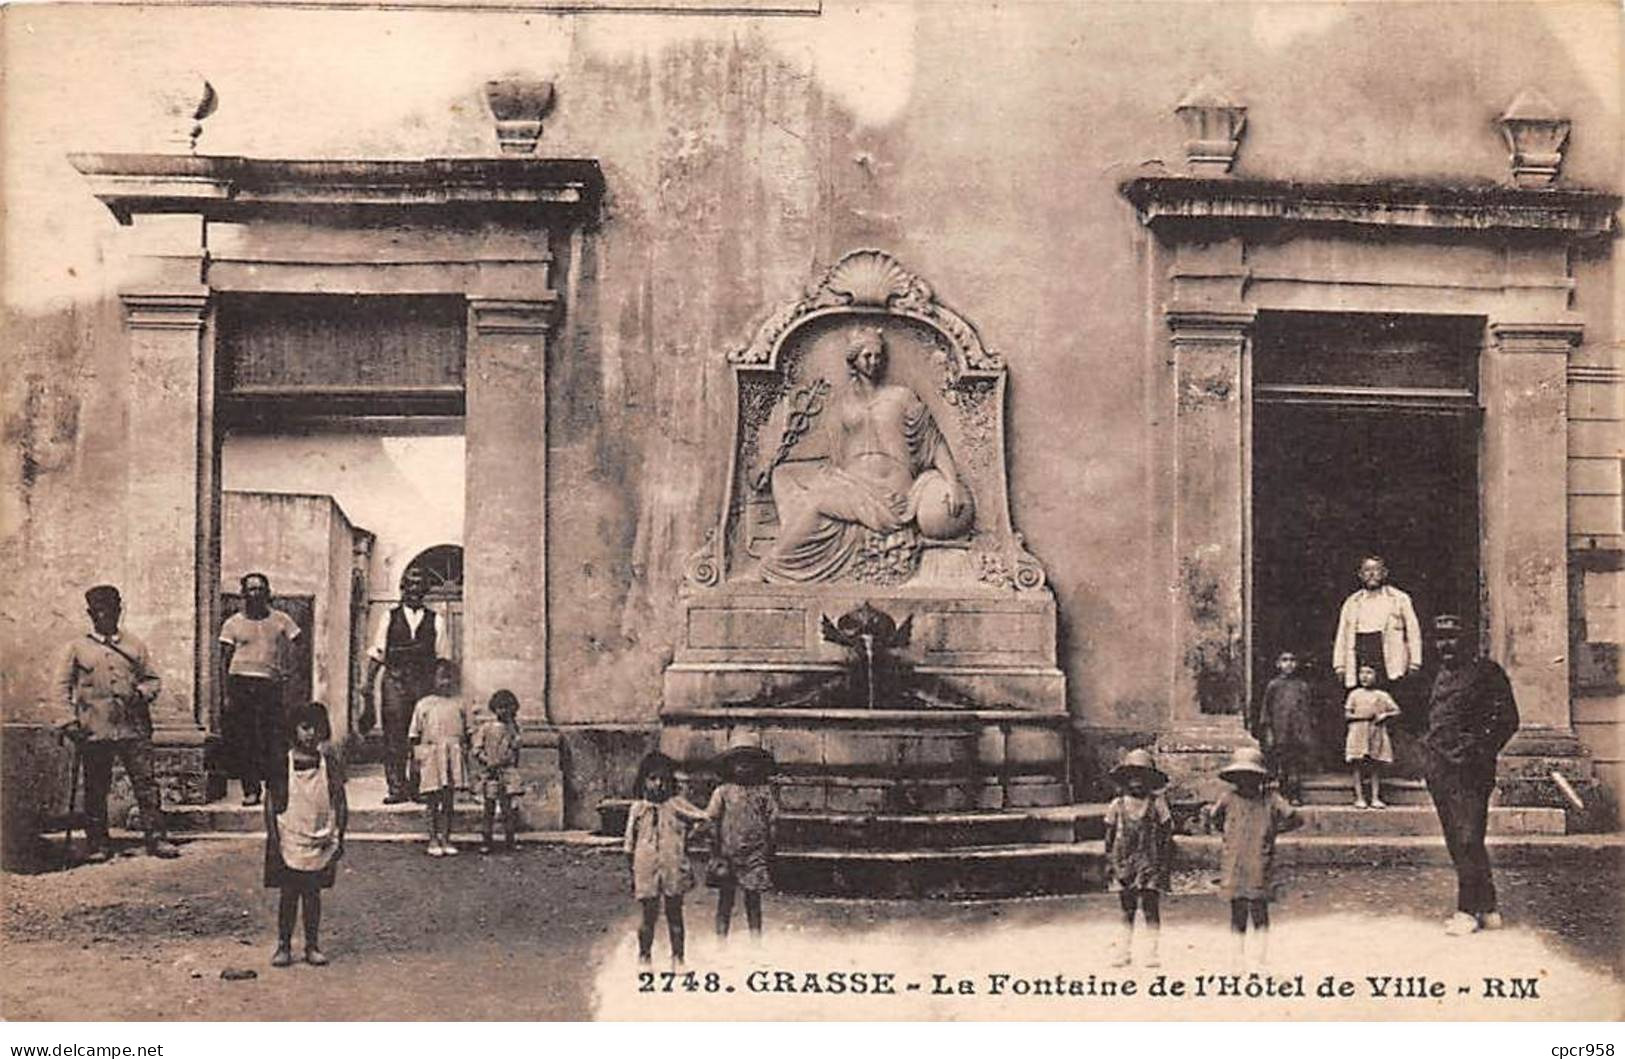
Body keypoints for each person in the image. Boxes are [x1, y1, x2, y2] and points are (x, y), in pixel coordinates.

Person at [756, 326, 971, 584]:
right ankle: (793, 532)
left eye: (878, 356)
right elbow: (826, 450)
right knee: (783, 475)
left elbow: (935, 443)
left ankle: (777, 564)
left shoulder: (902, 397)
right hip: (850, 480)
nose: (874, 362)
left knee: (815, 503)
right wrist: (771, 464)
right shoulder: (844, 404)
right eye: (867, 356)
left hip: (889, 488)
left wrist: (952, 483)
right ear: (854, 360)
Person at [56, 584, 179, 861]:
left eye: (111, 611)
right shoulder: (78, 647)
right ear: (90, 614)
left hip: (133, 727)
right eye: (99, 612)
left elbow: (152, 680)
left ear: (119, 611)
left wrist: (141, 693)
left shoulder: (134, 645)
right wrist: (68, 721)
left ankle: (157, 839)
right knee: (96, 787)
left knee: (146, 784)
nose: (105, 616)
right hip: (94, 729)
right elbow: (61, 687)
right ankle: (98, 844)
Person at [1424, 613, 1519, 936]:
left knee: (1468, 837)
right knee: (1457, 839)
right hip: (1440, 770)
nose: (1446, 644)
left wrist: (1475, 747)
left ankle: (1467, 910)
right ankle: (1488, 906)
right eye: (1440, 637)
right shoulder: (1433, 675)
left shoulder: (1487, 672)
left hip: (1471, 770)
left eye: (1452, 636)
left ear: (1468, 640)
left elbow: (1507, 720)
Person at [264, 702, 347, 968]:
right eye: (305, 727)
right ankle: (284, 945)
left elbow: (339, 799)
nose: (311, 734)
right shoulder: (282, 762)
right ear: (294, 729)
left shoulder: (329, 763)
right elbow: (270, 801)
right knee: (289, 894)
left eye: (317, 728)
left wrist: (340, 834)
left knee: (312, 894)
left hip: (318, 835)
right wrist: (274, 837)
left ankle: (312, 945)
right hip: (290, 834)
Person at [358, 568, 449, 804]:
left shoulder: (436, 619)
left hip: (423, 684)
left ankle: (418, 787)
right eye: (410, 584)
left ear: (426, 590)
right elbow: (378, 654)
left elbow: (442, 658)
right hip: (395, 683)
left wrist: (439, 690)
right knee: (394, 736)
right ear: (403, 587)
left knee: (420, 738)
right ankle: (396, 788)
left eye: (420, 585)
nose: (415, 590)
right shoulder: (389, 616)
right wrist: (367, 686)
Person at [1204, 746, 1300, 969]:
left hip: (1259, 860)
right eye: (1241, 777)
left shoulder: (1271, 799)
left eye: (1251, 776)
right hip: (1234, 862)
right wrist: (1229, 832)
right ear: (1235, 778)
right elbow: (1214, 818)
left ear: (1260, 777)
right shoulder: (1227, 798)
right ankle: (1236, 957)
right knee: (1237, 910)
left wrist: (1272, 831)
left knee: (1259, 909)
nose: (1246, 781)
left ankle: (1260, 957)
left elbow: (1294, 818)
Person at [218, 572, 301, 807]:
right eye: (251, 589)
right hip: (241, 684)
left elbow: (297, 645)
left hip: (270, 685)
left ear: (268, 592)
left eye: (260, 589)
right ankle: (251, 789)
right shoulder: (232, 623)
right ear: (243, 594)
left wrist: (288, 672)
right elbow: (224, 660)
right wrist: (225, 693)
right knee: (246, 739)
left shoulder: (281, 620)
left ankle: (274, 789)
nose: (256, 594)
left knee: (273, 738)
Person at [624, 752, 708, 965]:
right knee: (648, 916)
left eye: (663, 779)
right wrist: (632, 873)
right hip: (646, 867)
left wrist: (687, 838)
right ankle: (644, 957)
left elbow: (705, 819)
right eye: (653, 778)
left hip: (672, 865)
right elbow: (629, 845)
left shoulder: (677, 805)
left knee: (675, 914)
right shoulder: (638, 809)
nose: (658, 784)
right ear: (643, 780)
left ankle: (678, 958)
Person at [1101, 748, 1173, 968]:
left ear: (1151, 780)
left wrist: (1163, 864)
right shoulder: (1117, 805)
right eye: (1132, 776)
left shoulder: (1157, 804)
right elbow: (1109, 837)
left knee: (1151, 909)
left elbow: (1166, 835)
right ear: (1124, 780)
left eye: (1143, 777)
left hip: (1150, 864)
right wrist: (1110, 863)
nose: (1137, 782)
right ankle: (1124, 950)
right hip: (1125, 864)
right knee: (1127, 910)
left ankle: (1151, 952)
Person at [703, 733, 779, 939]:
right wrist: (715, 850)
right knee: (725, 899)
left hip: (755, 854)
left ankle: (755, 939)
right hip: (728, 853)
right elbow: (712, 819)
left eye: (749, 762)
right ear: (730, 766)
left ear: (758, 766)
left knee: (753, 899)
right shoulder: (723, 792)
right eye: (738, 763)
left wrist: (770, 847)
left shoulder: (763, 792)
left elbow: (772, 819)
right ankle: (721, 940)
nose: (744, 767)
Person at [1331, 554, 1423, 695]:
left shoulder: (1399, 598)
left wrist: (1415, 662)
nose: (1372, 574)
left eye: (1376, 570)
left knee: (1391, 698)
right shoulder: (1352, 602)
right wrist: (1339, 665)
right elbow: (1342, 634)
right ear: (1360, 575)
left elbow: (1413, 631)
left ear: (1384, 573)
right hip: (1361, 652)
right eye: (1367, 570)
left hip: (1390, 655)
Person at [409, 659, 468, 856]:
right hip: (432, 754)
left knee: (448, 800)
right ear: (433, 679)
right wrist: (416, 761)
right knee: (432, 799)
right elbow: (414, 735)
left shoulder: (460, 703)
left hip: (452, 755)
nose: (445, 682)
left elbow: (469, 731)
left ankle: (446, 837)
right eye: (441, 677)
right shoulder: (424, 705)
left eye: (449, 678)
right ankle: (432, 838)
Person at [1253, 649, 1317, 805]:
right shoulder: (1273, 685)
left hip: (1297, 732)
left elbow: (1308, 710)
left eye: (1292, 660)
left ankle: (1295, 795)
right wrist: (1268, 731)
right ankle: (1282, 796)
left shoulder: (1302, 686)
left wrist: (1307, 732)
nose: (1289, 664)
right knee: (1281, 766)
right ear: (1278, 664)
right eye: (1285, 660)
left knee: (1295, 765)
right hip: (1279, 731)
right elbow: (1266, 710)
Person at [471, 689, 524, 853]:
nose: (504, 711)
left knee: (508, 808)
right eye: (500, 707)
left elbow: (516, 749)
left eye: (507, 707)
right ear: (494, 708)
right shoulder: (486, 728)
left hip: (507, 772)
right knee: (489, 807)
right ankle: (486, 841)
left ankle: (510, 840)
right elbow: (476, 750)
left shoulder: (514, 729)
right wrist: (487, 761)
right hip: (490, 773)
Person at [1344, 663, 1402, 808]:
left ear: (1376, 676)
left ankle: (1375, 797)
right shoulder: (1355, 694)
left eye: (1369, 673)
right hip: (1358, 731)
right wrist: (1360, 716)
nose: (1365, 676)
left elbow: (1396, 711)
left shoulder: (1381, 695)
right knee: (1358, 764)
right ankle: (1359, 797)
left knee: (1375, 765)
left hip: (1375, 731)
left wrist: (1384, 715)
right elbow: (1347, 714)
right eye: (1362, 673)